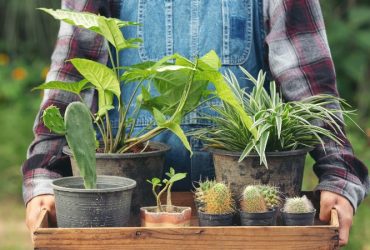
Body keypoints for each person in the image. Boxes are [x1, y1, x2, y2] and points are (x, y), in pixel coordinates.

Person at [23, 0, 369, 246]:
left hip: (245, 215)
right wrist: (43, 175)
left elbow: (308, 79)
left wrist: (338, 172)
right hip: (125, 214)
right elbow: (71, 76)